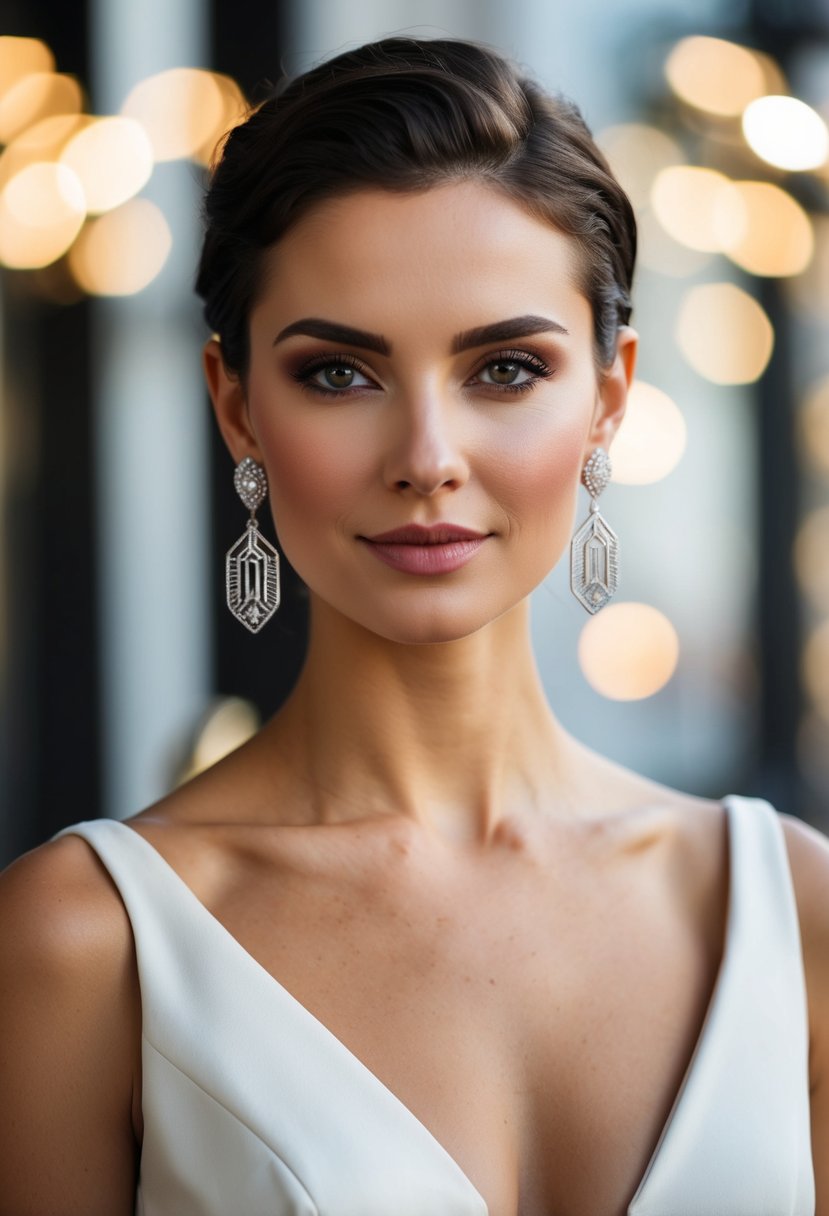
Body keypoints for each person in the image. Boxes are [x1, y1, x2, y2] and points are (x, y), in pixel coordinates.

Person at [0, 35, 827, 1216]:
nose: (428, 460)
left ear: (608, 394)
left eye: (503, 369)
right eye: (340, 374)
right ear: (236, 406)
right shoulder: (88, 946)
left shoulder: (792, 913)